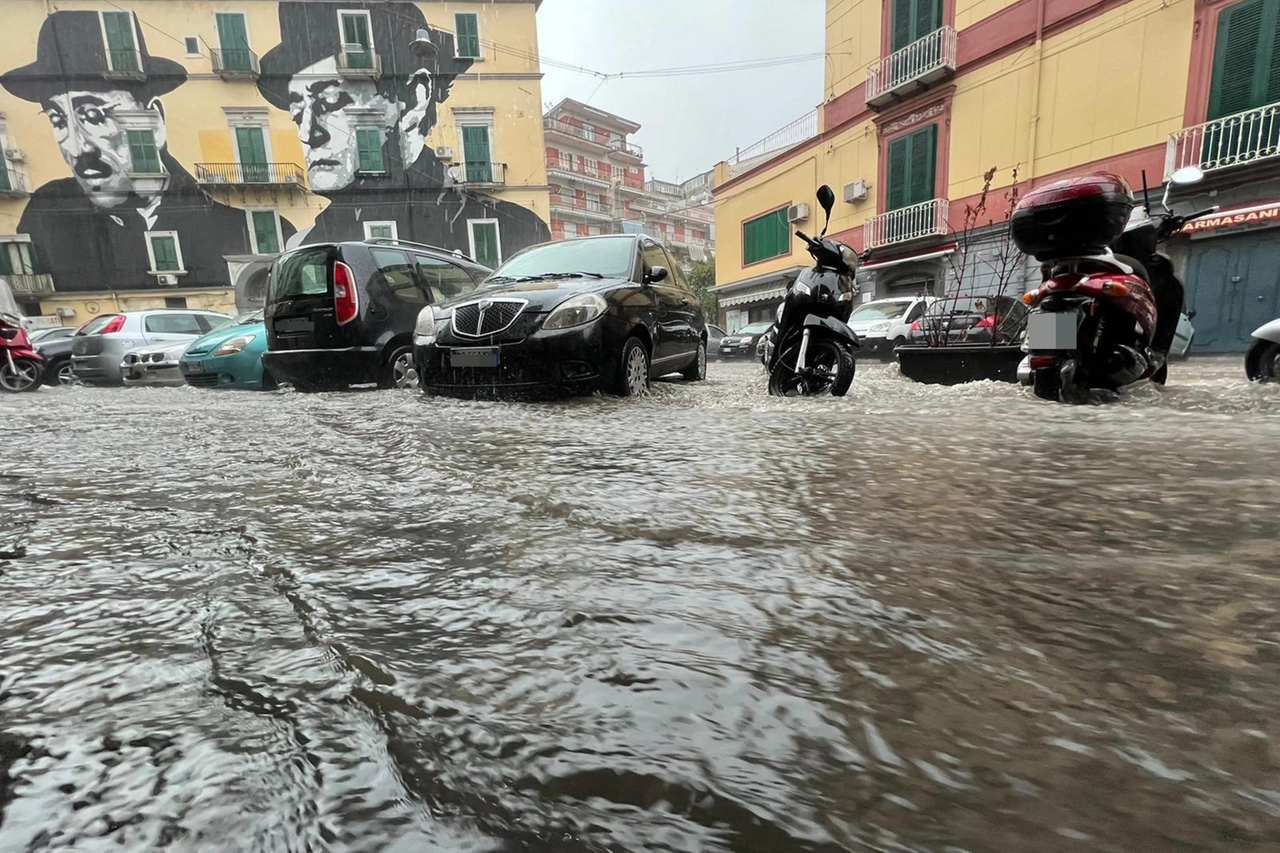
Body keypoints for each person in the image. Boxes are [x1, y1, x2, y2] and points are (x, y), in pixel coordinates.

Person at [1, 11, 293, 292]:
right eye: (58, 119)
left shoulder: (235, 224)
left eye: (93, 116)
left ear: (154, 123)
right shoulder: (46, 214)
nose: (79, 148)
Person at [256, 1, 548, 259]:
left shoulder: (518, 224)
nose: (308, 133)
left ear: (416, 97)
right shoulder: (306, 245)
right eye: (298, 111)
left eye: (330, 101)